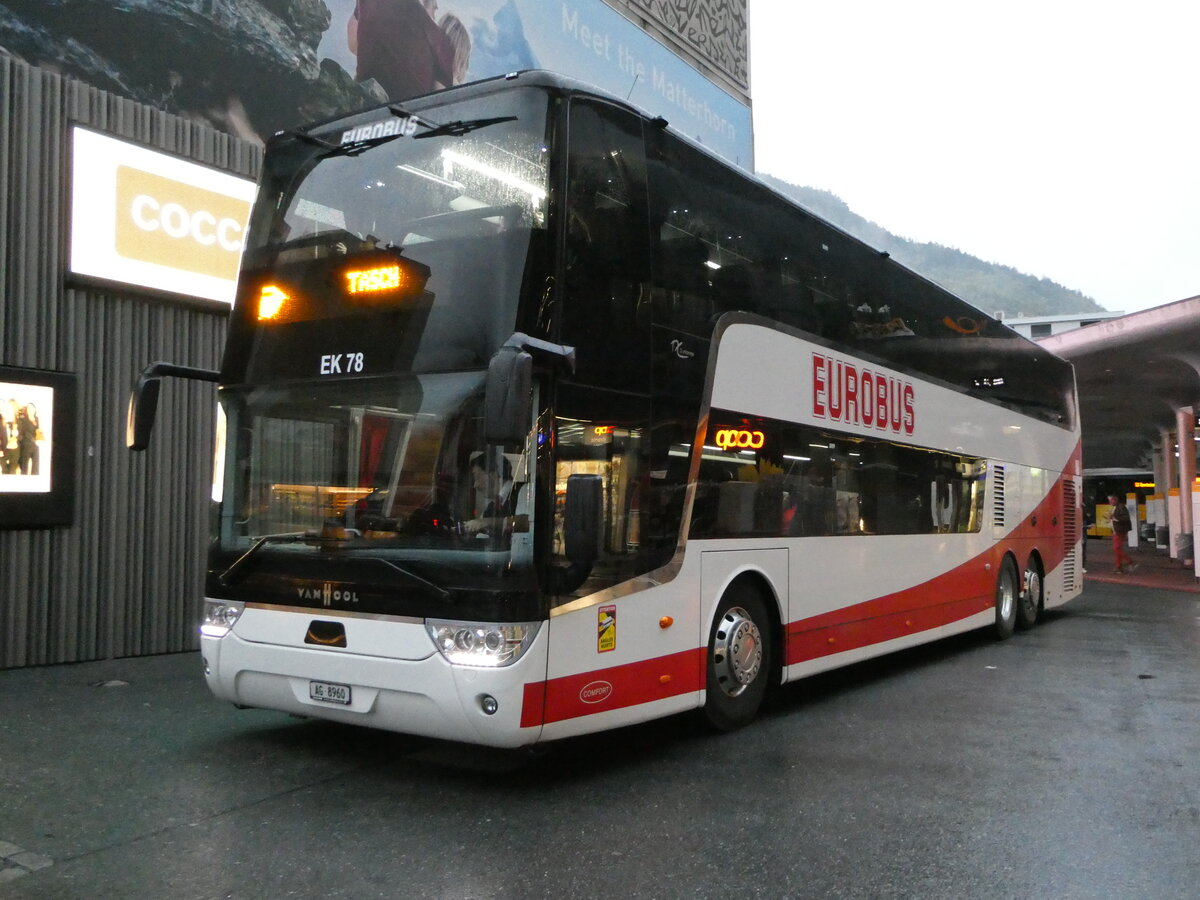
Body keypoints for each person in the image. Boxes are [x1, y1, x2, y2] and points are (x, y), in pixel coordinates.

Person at [349, 0, 456, 99]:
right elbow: (440, 103)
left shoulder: (370, 4)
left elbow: (353, 44)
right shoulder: (441, 43)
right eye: (434, 9)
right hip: (406, 116)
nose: (434, 17)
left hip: (361, 111)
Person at [465, 453, 515, 536]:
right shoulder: (490, 509)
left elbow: (527, 523)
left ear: (493, 474)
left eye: (477, 477)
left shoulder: (522, 494)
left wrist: (487, 522)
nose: (475, 485)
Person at [1108, 494, 1136, 573]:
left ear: (1115, 500)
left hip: (1119, 530)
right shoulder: (1117, 507)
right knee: (1118, 548)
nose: (1110, 502)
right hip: (1116, 530)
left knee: (1116, 548)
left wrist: (1114, 518)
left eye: (1111, 500)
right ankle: (1119, 567)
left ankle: (1129, 561)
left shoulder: (1121, 507)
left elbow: (1125, 518)